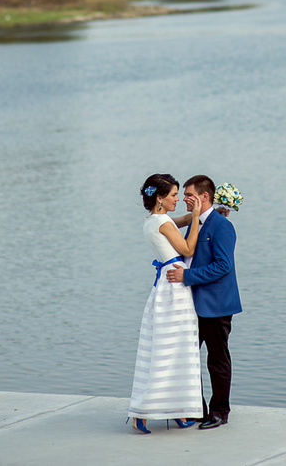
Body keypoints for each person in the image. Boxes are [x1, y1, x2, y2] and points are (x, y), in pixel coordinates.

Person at [127, 173, 203, 434]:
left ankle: (178, 410)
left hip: (165, 286)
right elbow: (189, 249)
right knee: (176, 348)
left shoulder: (153, 221)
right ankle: (145, 412)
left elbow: (175, 222)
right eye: (173, 195)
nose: (177, 199)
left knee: (174, 347)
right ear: (159, 197)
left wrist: (194, 214)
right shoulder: (164, 223)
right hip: (175, 288)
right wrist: (195, 218)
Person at [166, 174, 242, 430]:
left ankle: (220, 412)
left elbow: (223, 266)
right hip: (192, 304)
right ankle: (197, 410)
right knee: (188, 358)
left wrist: (186, 276)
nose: (185, 200)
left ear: (204, 197)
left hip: (216, 305)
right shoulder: (196, 221)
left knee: (217, 360)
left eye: (188, 195)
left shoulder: (222, 226)